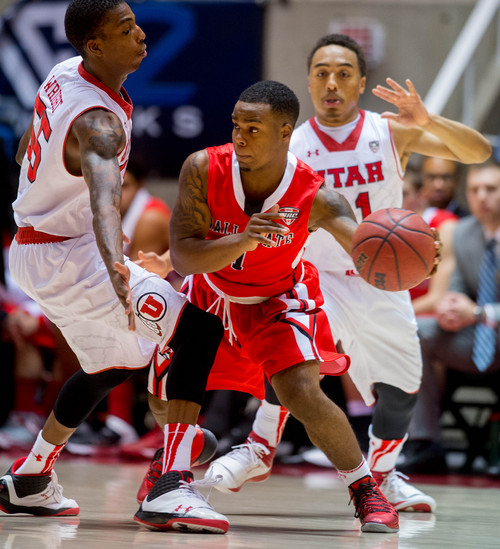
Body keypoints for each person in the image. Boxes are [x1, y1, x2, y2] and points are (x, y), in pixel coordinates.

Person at [202, 34, 491, 513]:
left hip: (383, 279)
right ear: (310, 82)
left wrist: (427, 120)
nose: (331, 83)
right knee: (296, 361)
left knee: (403, 388)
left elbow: (478, 151)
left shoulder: (391, 131)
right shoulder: (289, 142)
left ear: (360, 82)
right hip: (316, 276)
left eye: (342, 73)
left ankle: (382, 477)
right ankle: (258, 448)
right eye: (321, 72)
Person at [0, 0, 229, 534]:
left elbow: (25, 152)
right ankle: (171, 485)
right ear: (96, 46)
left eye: (136, 22)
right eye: (126, 29)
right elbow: (107, 202)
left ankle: (31, 477)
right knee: (195, 326)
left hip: (38, 247)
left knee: (114, 364)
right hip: (70, 254)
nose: (142, 34)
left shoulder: (62, 75)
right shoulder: (101, 124)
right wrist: (115, 264)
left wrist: (51, 186)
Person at [148, 79, 401, 533]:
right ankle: (176, 456)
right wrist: (244, 238)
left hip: (279, 297)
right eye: (236, 125)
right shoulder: (203, 168)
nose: (239, 137)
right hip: (212, 291)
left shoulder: (315, 196)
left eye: (253, 128)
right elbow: (185, 256)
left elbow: (367, 253)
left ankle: (365, 489)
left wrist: (410, 259)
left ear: (286, 133)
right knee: (161, 393)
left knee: (300, 391)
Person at [405, 159, 500, 473]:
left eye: (491, 188)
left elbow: (476, 309)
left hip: (491, 328)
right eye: (475, 189)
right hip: (475, 337)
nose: (482, 196)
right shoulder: (463, 233)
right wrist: (450, 309)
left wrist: (476, 312)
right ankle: (425, 442)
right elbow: (455, 288)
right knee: (418, 331)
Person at [402, 163, 459, 315]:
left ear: (421, 195)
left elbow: (438, 297)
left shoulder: (444, 225)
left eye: (404, 194)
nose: (397, 200)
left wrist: (394, 317)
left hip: (430, 318)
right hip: (399, 313)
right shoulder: (382, 228)